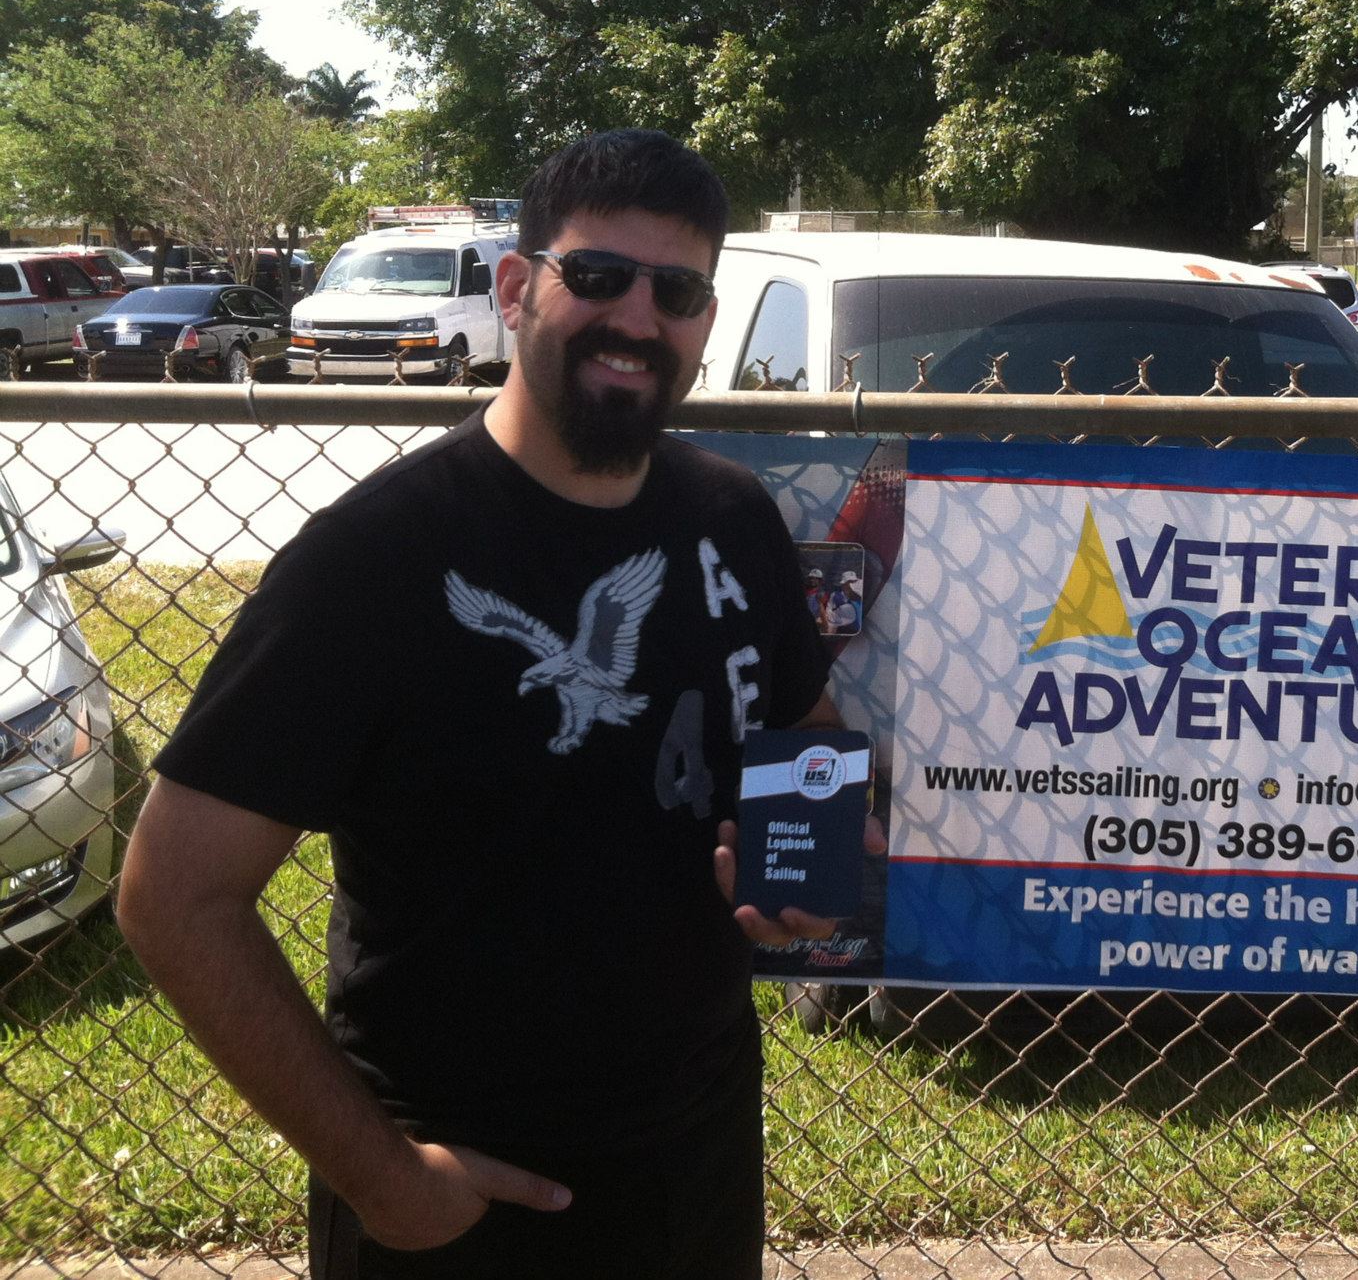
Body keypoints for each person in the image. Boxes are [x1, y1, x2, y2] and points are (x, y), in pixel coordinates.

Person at [117, 128, 870, 1279]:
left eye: (675, 291)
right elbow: (174, 898)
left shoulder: (731, 514)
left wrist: (804, 870)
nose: (636, 318)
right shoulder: (373, 562)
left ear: (704, 324)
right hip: (458, 1188)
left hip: (695, 1152)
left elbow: (800, 734)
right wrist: (386, 1183)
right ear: (516, 288)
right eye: (598, 276)